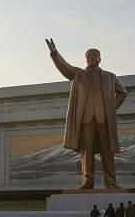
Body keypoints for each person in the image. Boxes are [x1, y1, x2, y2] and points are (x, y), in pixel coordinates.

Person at [46, 38, 127, 189]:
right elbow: (65, 67)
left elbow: (123, 93)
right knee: (86, 152)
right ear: (85, 59)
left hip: (104, 120)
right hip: (86, 120)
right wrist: (55, 53)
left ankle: (111, 183)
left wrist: (110, 108)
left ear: (100, 59)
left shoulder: (110, 76)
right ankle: (87, 182)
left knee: (107, 152)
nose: (91, 57)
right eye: (88, 55)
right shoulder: (78, 74)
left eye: (94, 55)